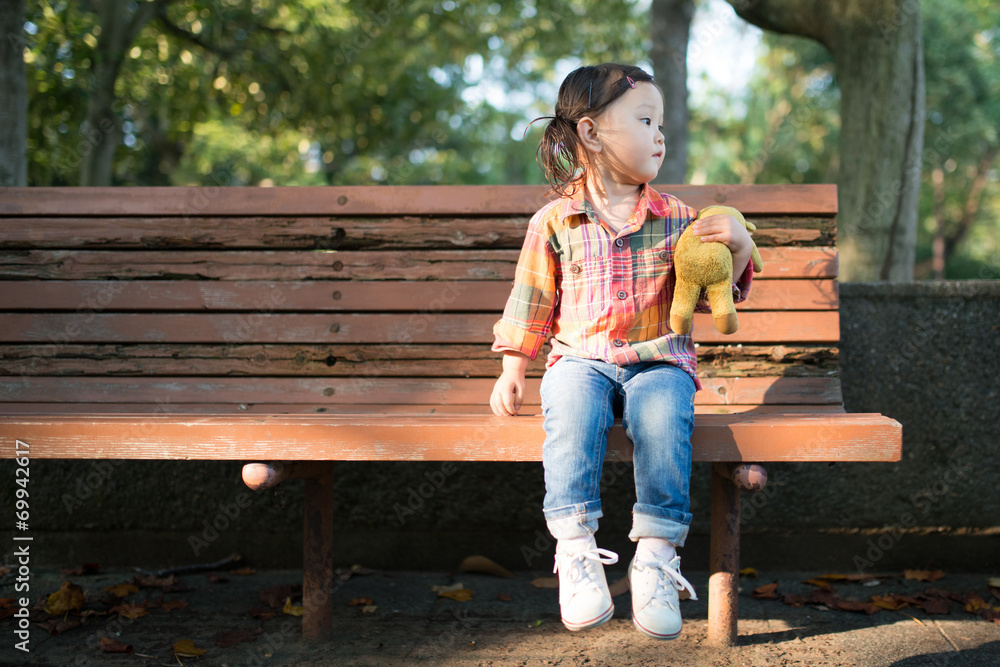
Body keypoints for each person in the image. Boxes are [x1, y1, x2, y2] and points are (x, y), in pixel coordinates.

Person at [489, 63, 754, 640]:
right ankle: (577, 551)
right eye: (645, 120)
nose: (661, 135)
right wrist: (515, 366)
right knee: (568, 408)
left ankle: (657, 556)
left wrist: (738, 249)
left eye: (660, 123)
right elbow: (531, 295)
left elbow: (711, 299)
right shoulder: (556, 219)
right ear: (590, 133)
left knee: (664, 414)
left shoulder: (682, 219)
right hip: (579, 358)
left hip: (657, 358)